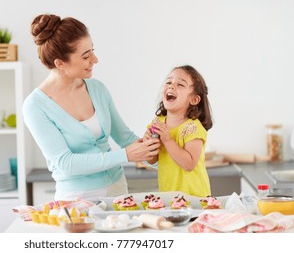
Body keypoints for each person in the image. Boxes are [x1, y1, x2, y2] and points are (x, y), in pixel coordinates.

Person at [22, 14, 160, 201]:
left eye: (92, 50)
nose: (95, 59)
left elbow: (125, 138)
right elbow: (66, 163)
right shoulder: (35, 106)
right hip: (76, 199)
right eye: (86, 56)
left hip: (117, 189)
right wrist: (126, 156)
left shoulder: (97, 89)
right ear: (60, 63)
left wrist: (154, 154)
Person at [144, 65, 213, 197]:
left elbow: (189, 164)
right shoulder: (157, 122)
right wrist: (149, 144)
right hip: (168, 197)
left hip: (195, 198)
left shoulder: (193, 128)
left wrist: (168, 140)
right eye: (168, 82)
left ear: (194, 99)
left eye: (180, 84)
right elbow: (152, 160)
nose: (171, 86)